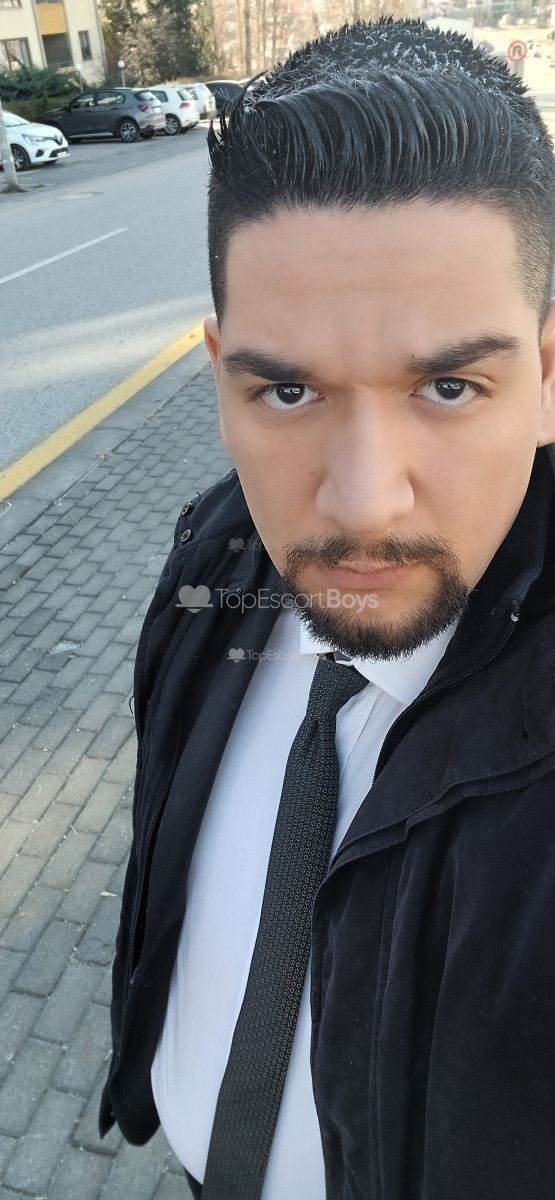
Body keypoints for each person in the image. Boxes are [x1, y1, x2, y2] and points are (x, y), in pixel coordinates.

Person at [100, 17, 555, 1199]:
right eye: (288, 392)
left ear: (550, 375)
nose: (360, 502)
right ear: (219, 376)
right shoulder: (211, 557)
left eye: (448, 386)